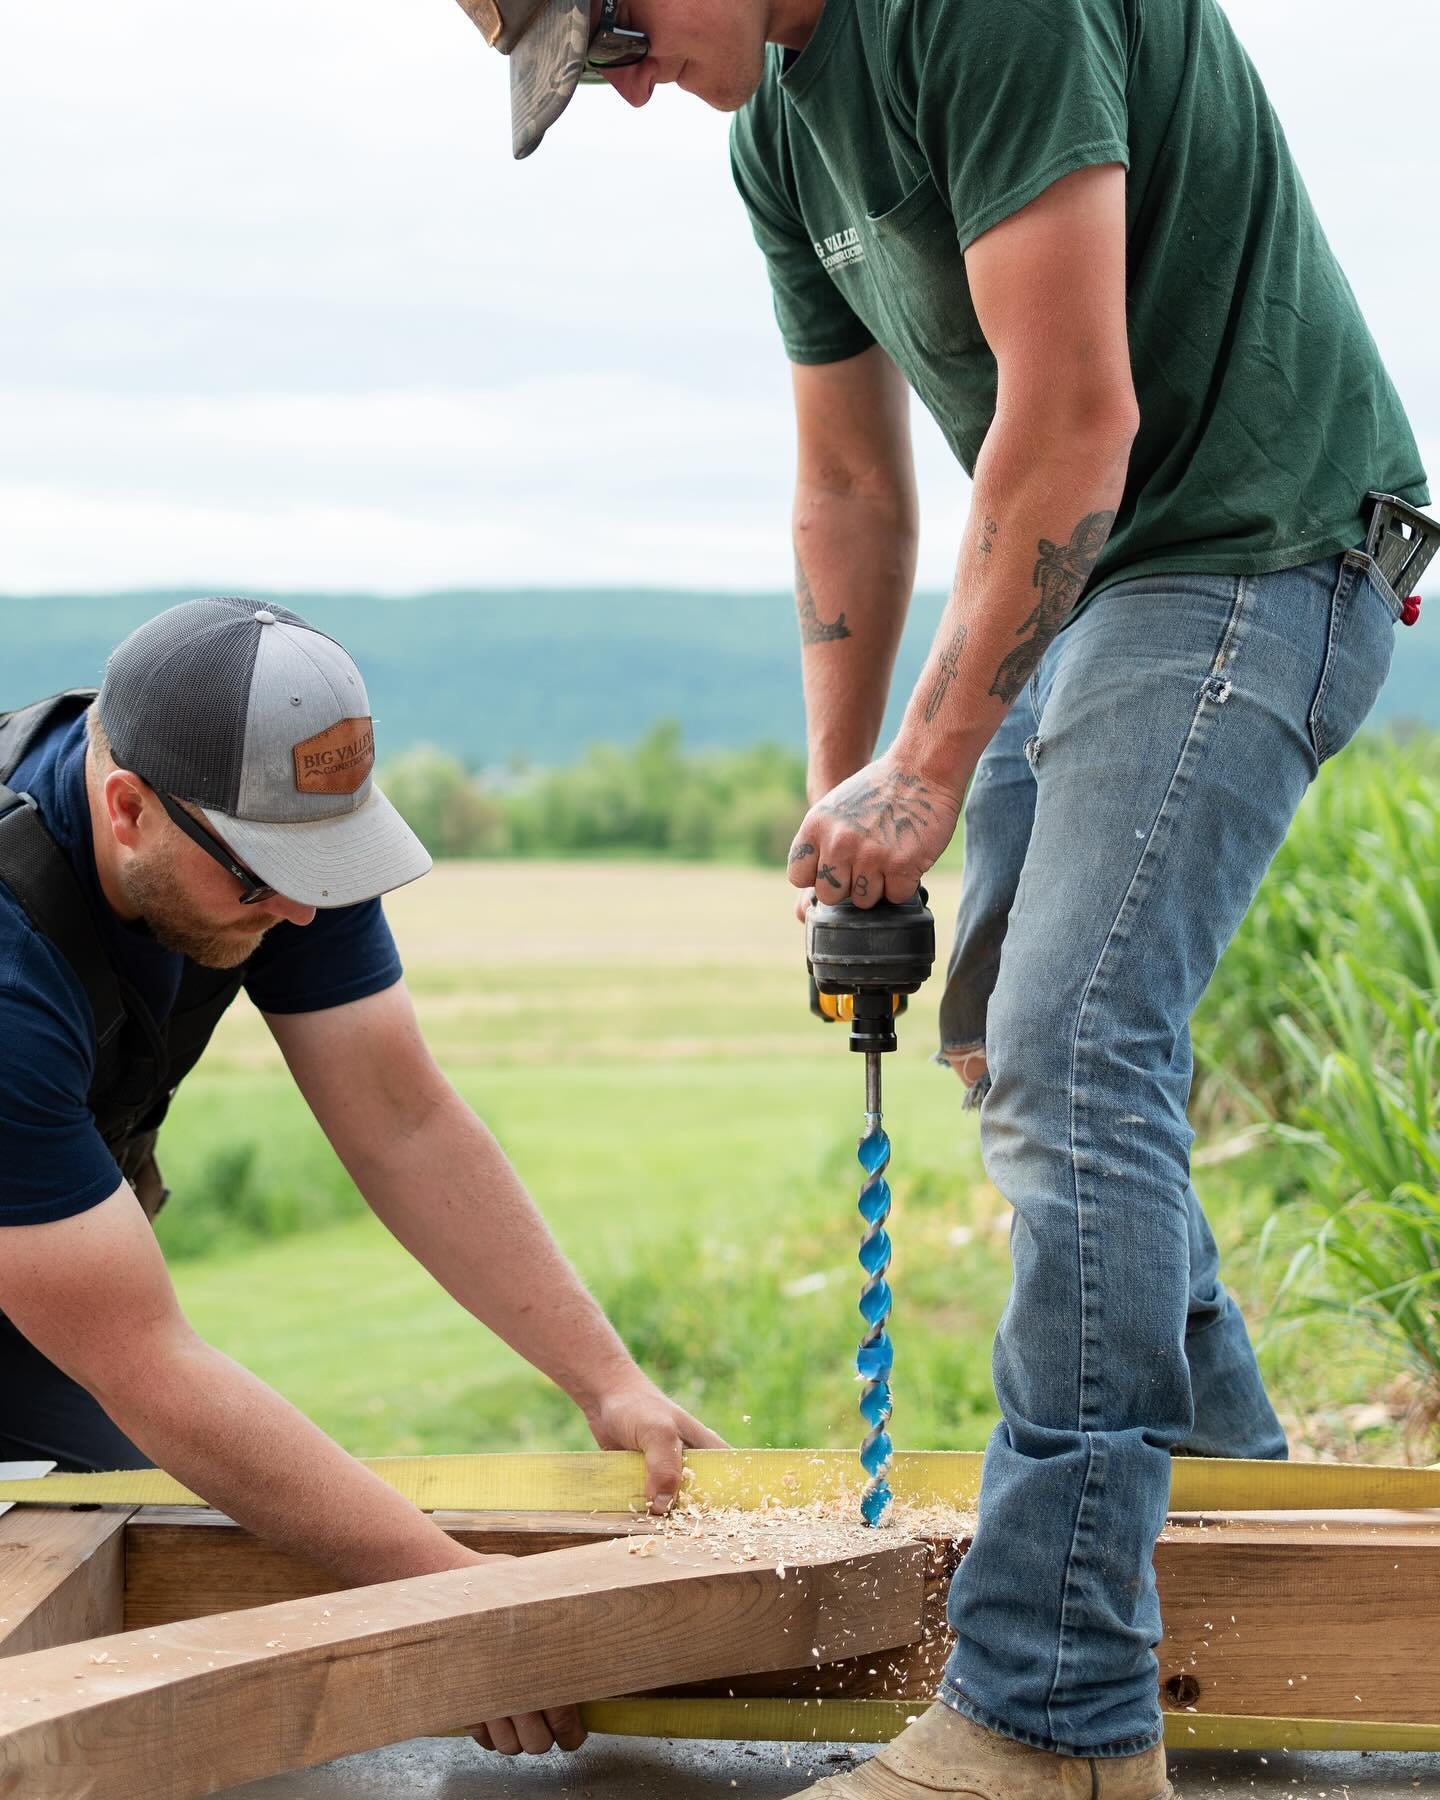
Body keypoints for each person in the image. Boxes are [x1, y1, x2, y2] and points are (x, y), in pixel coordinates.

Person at [463, 0, 1434, 1792]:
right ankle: (1236, 1548)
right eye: (577, 73)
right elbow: (848, 487)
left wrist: (931, 766)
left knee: (1075, 1048)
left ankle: (1055, 1714)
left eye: (610, 28)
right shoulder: (778, 137)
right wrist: (855, 799)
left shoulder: (982, 11)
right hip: (1092, 582)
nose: (622, 85)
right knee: (1015, 1043)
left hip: (1253, 540)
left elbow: (1068, 420)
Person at [0, 597, 724, 1759]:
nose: (297, 909)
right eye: (261, 882)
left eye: (320, 870)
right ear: (126, 807)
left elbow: (403, 1120)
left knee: (126, 1510)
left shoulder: (263, 833)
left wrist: (608, 1381)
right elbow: (148, 1359)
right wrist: (453, 1597)